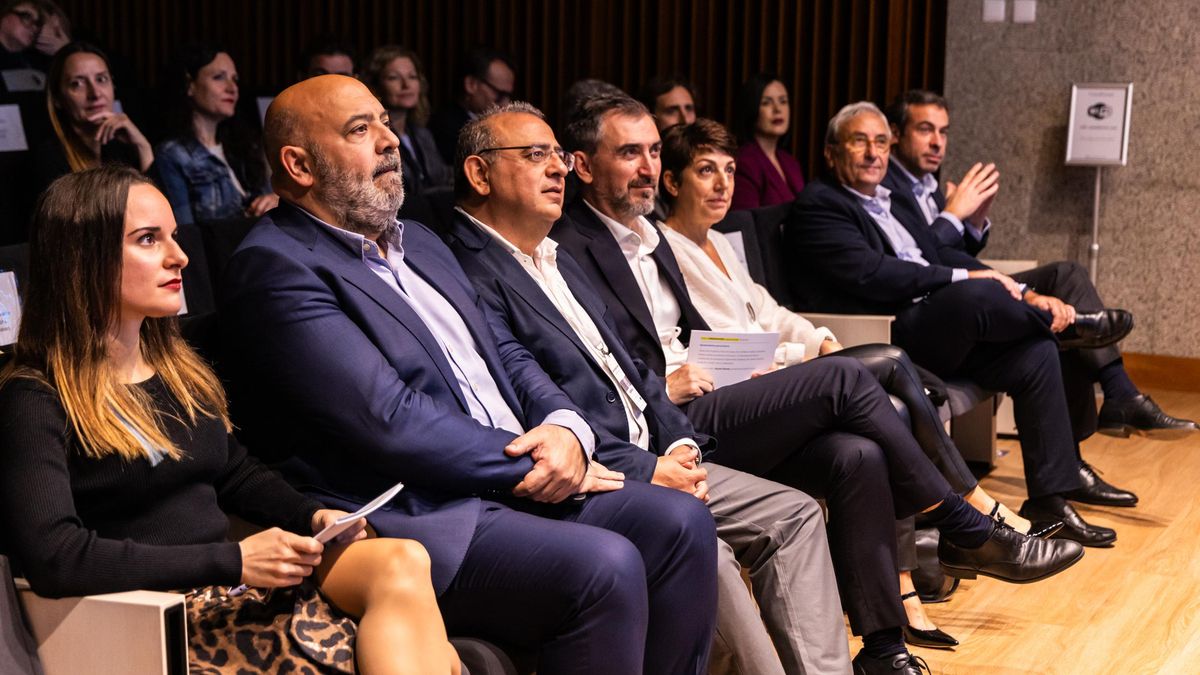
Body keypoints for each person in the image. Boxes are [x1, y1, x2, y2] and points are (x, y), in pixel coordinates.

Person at [553, 93, 1084, 675]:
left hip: (715, 390)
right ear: (583, 165)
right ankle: (966, 523)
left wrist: (780, 355)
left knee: (856, 455)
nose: (648, 167)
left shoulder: (649, 239)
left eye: (654, 151)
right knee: (855, 375)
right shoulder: (572, 245)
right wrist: (672, 380)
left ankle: (883, 648)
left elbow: (722, 327)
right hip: (669, 421)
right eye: (630, 153)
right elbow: (604, 362)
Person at [218, 74, 719, 675]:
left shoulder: (421, 242)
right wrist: (534, 467)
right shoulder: (275, 266)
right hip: (424, 507)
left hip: (510, 476)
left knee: (681, 522)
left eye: (385, 123)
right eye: (359, 129)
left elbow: (506, 353)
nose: (389, 140)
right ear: (299, 165)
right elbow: (389, 418)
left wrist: (566, 427)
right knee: (604, 565)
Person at [0, 166, 461, 675]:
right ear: (83, 258)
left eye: (173, 236)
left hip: (227, 587)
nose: (179, 257)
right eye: (149, 240)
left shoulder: (177, 368)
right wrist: (235, 560)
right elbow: (57, 557)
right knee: (435, 655)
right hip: (150, 616)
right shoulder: (35, 396)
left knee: (404, 560)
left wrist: (312, 516)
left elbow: (234, 472)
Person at [446, 101, 851, 675]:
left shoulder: (557, 254)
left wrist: (680, 444)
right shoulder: (467, 271)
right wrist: (647, 469)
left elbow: (636, 369)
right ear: (479, 173)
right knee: (704, 545)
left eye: (557, 155)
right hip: (600, 472)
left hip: (661, 447)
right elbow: (529, 404)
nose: (557, 168)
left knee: (798, 513)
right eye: (536, 156)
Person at [785, 101, 1139, 546]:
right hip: (890, 330)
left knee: (1035, 353)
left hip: (940, 323)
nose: (874, 153)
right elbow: (873, 274)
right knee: (976, 292)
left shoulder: (891, 201)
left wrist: (1018, 288)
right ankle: (1068, 327)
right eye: (860, 142)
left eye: (880, 142)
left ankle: (1050, 498)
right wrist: (970, 279)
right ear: (831, 152)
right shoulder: (820, 204)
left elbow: (939, 253)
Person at [883, 89, 1196, 439]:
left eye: (943, 132)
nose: (937, 142)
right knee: (1060, 325)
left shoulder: (928, 184)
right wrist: (953, 216)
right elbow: (916, 260)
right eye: (925, 130)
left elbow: (949, 252)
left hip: (956, 292)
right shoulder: (884, 186)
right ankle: (1113, 397)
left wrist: (972, 223)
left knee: (1067, 276)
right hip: (930, 313)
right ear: (895, 134)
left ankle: (1116, 393)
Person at [153, 44, 277, 226]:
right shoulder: (172, 155)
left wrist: (275, 201)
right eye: (219, 77)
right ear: (189, 85)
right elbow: (185, 231)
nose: (232, 88)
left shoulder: (246, 146)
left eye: (235, 79)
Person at [31, 42, 152, 195]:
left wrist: (143, 147)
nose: (95, 93)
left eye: (101, 79)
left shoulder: (122, 149)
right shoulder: (49, 158)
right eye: (77, 83)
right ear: (57, 98)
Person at [363, 45, 452, 192]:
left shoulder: (423, 134)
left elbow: (442, 177)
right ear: (375, 86)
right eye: (394, 78)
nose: (406, 85)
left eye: (412, 77)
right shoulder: (373, 139)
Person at [429, 45, 515, 164]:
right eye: (499, 94)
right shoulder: (446, 127)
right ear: (471, 84)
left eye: (508, 95)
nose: (506, 104)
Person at [732, 73, 805, 210]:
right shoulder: (744, 162)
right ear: (751, 108)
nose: (777, 109)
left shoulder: (790, 162)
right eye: (766, 103)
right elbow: (744, 218)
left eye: (783, 101)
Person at [0, 0, 40, 72]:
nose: (35, 28)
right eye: (27, 17)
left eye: (37, 23)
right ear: (4, 14)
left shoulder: (34, 66)